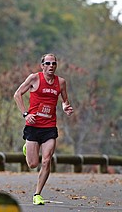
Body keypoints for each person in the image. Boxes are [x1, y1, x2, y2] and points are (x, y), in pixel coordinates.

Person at [13, 53, 74, 205]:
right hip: (33, 126)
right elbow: (17, 94)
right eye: (48, 63)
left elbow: (64, 101)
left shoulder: (61, 82)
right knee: (33, 164)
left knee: (47, 160)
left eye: (54, 63)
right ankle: (28, 147)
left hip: (49, 127)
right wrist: (25, 114)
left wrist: (66, 107)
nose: (51, 66)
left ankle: (37, 194)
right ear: (42, 65)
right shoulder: (34, 78)